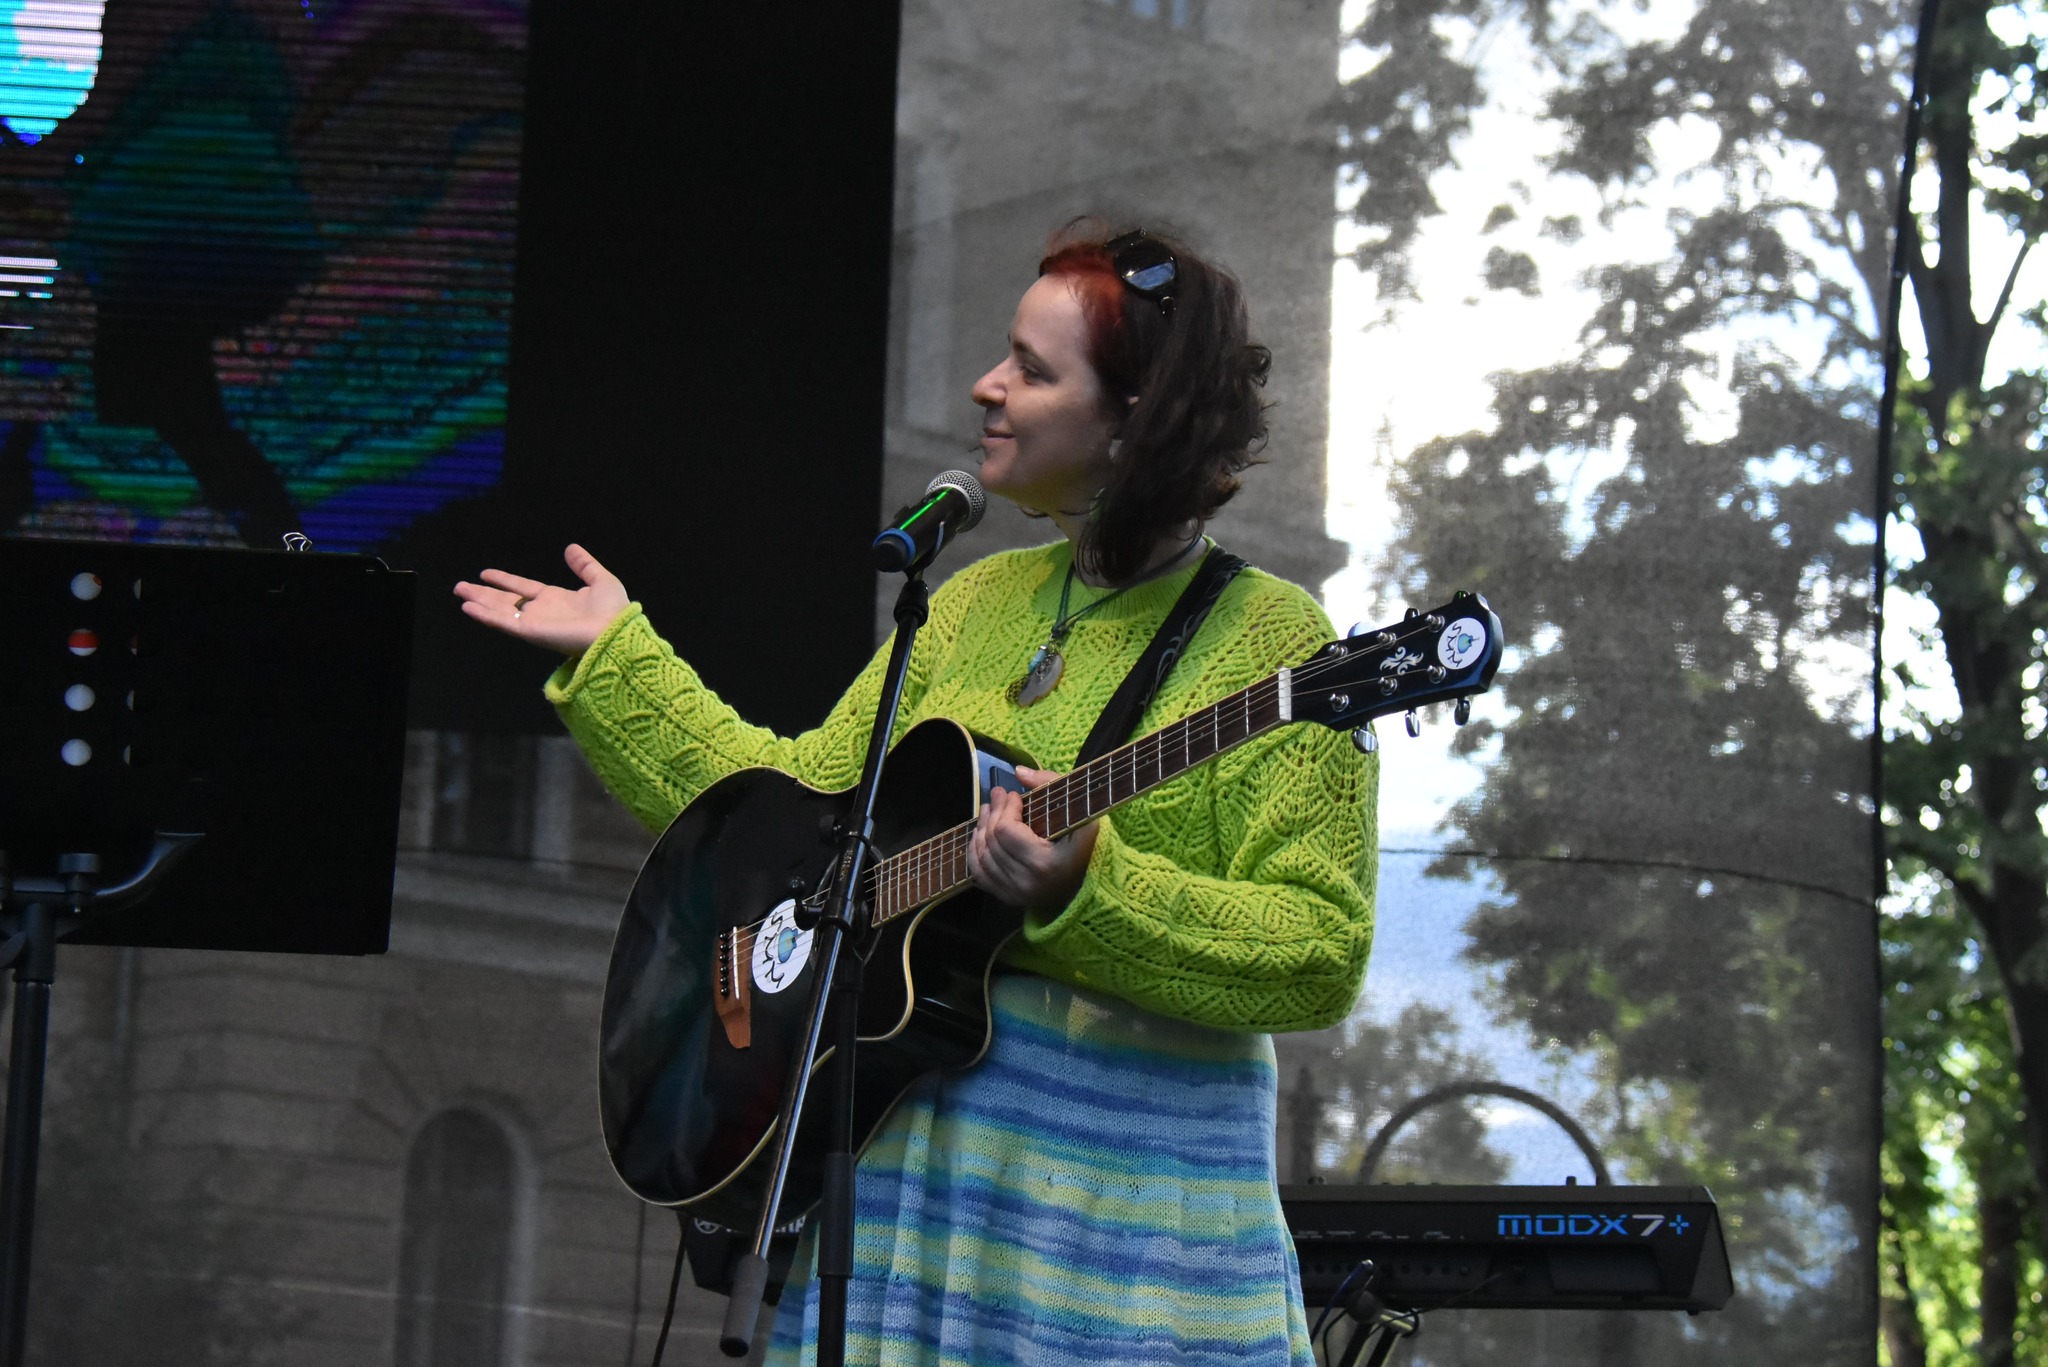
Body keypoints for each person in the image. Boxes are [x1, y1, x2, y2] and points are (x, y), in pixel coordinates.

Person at [455, 222, 1378, 1366]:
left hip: (1132, 1253)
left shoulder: (1276, 643)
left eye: (1033, 370)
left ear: (1138, 416)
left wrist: (1091, 881)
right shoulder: (973, 601)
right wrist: (615, 660)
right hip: (913, 1220)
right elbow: (789, 834)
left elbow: (1318, 949)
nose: (986, 387)